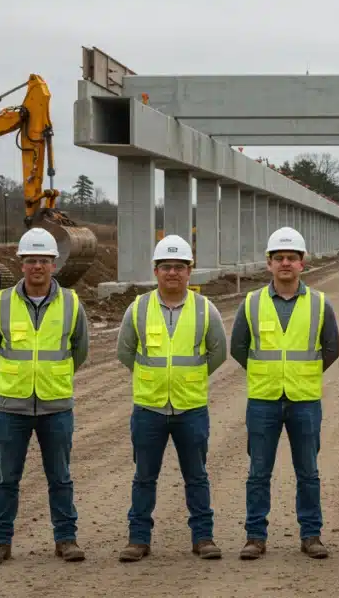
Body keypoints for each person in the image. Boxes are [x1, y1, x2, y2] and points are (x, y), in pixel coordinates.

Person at [0, 227, 90, 566]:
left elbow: (80, 350)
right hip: (12, 407)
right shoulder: (2, 303)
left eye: (43, 260)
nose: (37, 266)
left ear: (54, 265)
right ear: (21, 265)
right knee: (7, 478)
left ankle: (66, 539)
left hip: (55, 406)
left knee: (60, 477)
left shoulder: (71, 303)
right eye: (31, 261)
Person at [230, 227, 339, 561]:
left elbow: (332, 348)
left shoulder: (320, 304)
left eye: (292, 258)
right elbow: (239, 348)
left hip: (304, 400)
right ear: (269, 264)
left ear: (302, 263)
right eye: (279, 258)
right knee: (258, 472)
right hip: (263, 400)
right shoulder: (251, 303)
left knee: (308, 471)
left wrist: (302, 374)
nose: (285, 263)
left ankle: (311, 535)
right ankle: (255, 536)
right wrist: (268, 374)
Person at [115, 234, 228, 563]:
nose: (173, 273)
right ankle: (138, 539)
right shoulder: (138, 308)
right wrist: (153, 378)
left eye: (180, 267)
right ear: (156, 270)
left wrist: (190, 377)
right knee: (144, 476)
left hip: (190, 408)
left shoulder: (206, 310)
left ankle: (203, 538)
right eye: (166, 267)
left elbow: (217, 352)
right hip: (148, 408)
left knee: (196, 475)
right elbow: (125, 352)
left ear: (190, 271)